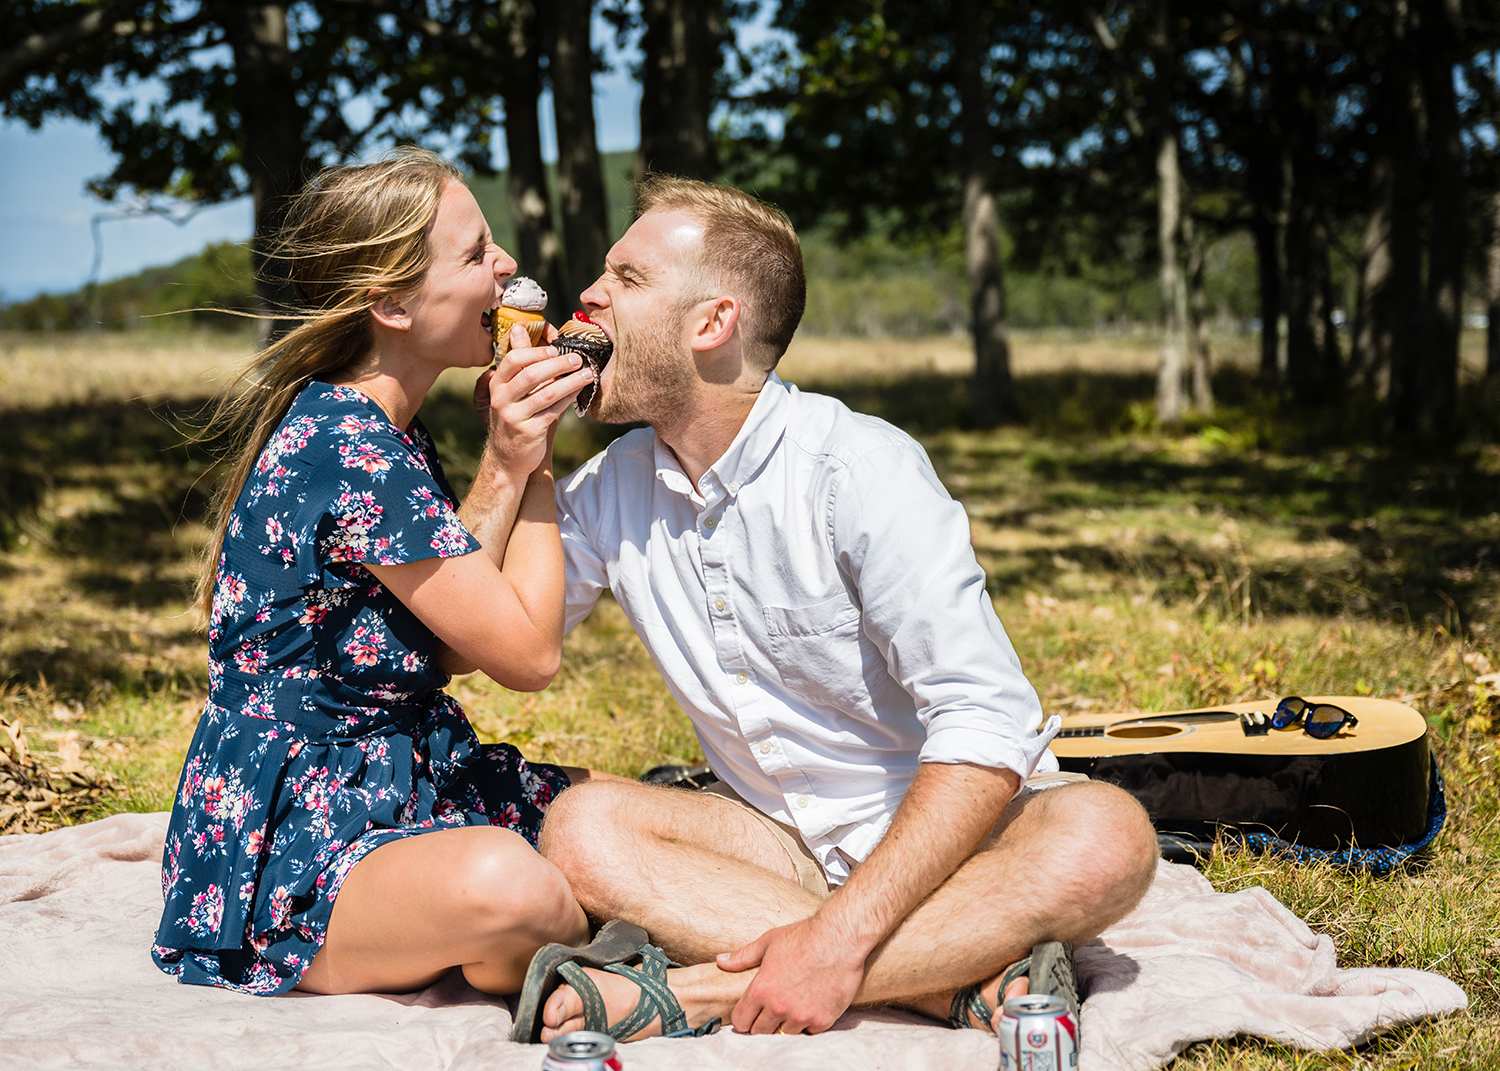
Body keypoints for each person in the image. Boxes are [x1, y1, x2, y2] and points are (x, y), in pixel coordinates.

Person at [515, 175, 1160, 1042]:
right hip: (772, 846)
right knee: (580, 829)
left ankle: (706, 990)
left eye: (626, 278)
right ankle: (947, 985)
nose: (586, 296)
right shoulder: (605, 491)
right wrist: (513, 457)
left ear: (712, 324)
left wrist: (841, 933)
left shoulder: (858, 468)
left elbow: (985, 725)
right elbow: (505, 640)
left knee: (1107, 835)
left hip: (945, 847)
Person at [152, 147, 604, 999]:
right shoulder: (350, 447)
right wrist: (526, 457)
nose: (507, 266)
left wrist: (508, 464)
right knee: (518, 886)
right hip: (293, 841)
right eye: (476, 255)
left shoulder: (382, 428)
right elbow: (529, 655)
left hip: (402, 772)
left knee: (617, 821)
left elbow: (455, 645)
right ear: (390, 301)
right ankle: (563, 958)